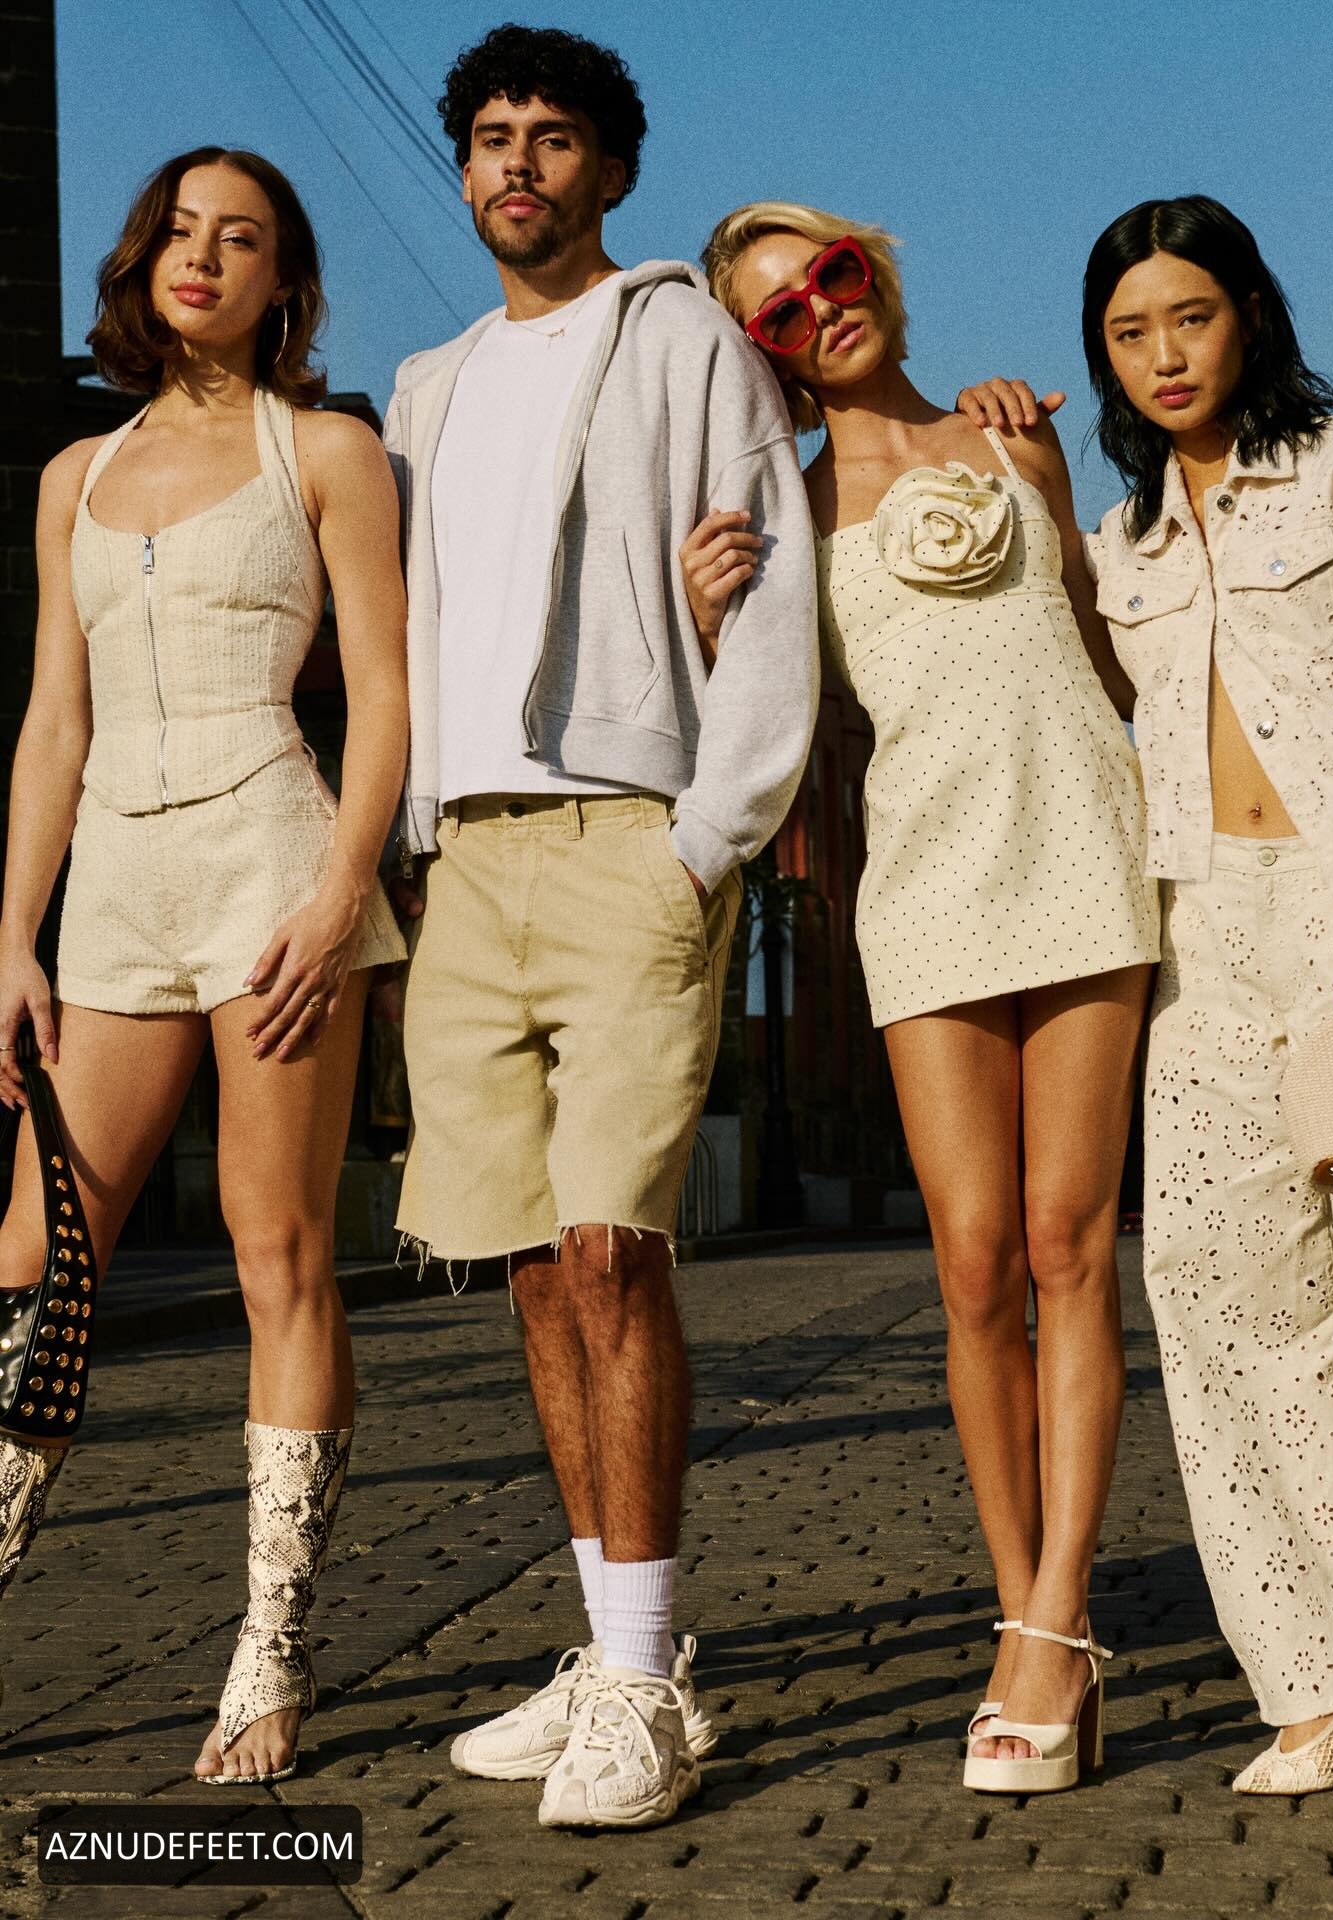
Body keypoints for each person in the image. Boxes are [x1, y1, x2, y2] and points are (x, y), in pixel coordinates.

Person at [382, 27, 818, 1830]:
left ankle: (644, 1685)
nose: (518, 164)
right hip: (466, 859)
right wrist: (411, 838)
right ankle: (609, 1645)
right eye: (492, 136)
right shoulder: (427, 386)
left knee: (616, 1247)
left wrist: (708, 840)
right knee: (532, 1268)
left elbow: (769, 578)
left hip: (630, 840)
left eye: (554, 138)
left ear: (612, 171)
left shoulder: (684, 337)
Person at [959, 194, 1333, 1802]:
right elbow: (1093, 695)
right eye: (1128, 332)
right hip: (1198, 936)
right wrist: (1035, 483)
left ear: (1250, 314)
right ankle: (1318, 1683)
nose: (1165, 355)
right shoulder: (1132, 539)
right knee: (1232, 1315)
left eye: (1191, 316)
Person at [697, 201, 1158, 1795]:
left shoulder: (1016, 438)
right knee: (971, 1266)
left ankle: (1058, 1622)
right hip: (926, 886)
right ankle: (1020, 1606)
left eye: (831, 275)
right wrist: (709, 616)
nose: (819, 310)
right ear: (759, 354)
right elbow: (760, 740)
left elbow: (1113, 658)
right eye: (779, 312)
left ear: (875, 273)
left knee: (1069, 1244)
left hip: (1084, 847)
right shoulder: (784, 516)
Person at [0, 147, 408, 1785]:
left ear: (282, 280)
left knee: (277, 1249)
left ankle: (271, 1650)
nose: (204, 257)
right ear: (143, 258)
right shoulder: (74, 474)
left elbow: (383, 693)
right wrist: (13, 933)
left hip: (268, 865)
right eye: (181, 230)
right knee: (38, 1255)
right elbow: (54, 721)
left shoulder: (329, 450)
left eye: (241, 238)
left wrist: (337, 893)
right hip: (111, 885)